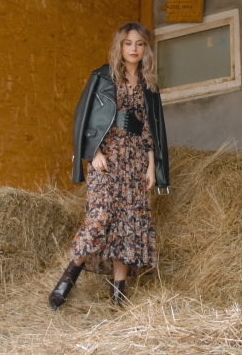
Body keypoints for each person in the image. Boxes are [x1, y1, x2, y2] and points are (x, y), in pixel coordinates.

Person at [49, 21, 170, 310]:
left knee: (129, 226)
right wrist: (94, 152)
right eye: (128, 43)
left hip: (136, 162)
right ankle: (66, 281)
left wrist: (151, 166)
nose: (134, 49)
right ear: (120, 46)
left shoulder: (149, 86)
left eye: (139, 44)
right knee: (100, 218)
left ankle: (118, 296)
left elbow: (150, 130)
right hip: (107, 160)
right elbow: (86, 117)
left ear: (146, 49)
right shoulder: (102, 77)